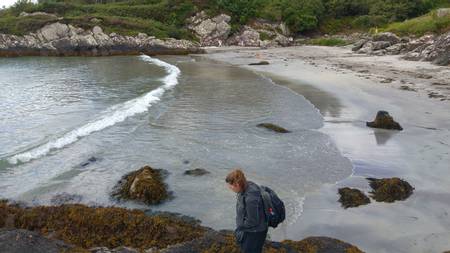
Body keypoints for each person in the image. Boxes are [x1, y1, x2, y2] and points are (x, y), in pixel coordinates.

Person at [226, 169, 268, 253]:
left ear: (237, 184)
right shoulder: (246, 186)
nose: (229, 187)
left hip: (255, 232)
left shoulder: (251, 198)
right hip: (251, 230)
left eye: (230, 185)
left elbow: (252, 221)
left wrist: (240, 226)